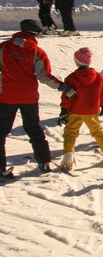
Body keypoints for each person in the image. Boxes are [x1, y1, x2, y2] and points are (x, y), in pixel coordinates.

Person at [0, 20, 75, 177]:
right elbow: (44, 76)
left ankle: (1, 169)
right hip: (29, 96)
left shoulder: (4, 47)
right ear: (34, 34)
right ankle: (44, 161)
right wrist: (63, 87)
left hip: (6, 95)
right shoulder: (37, 52)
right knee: (33, 128)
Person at [57, 47, 103, 171]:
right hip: (92, 110)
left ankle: (68, 157)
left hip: (76, 110)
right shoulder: (99, 77)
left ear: (77, 62)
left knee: (70, 132)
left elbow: (67, 96)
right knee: (98, 131)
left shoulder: (72, 78)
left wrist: (64, 111)